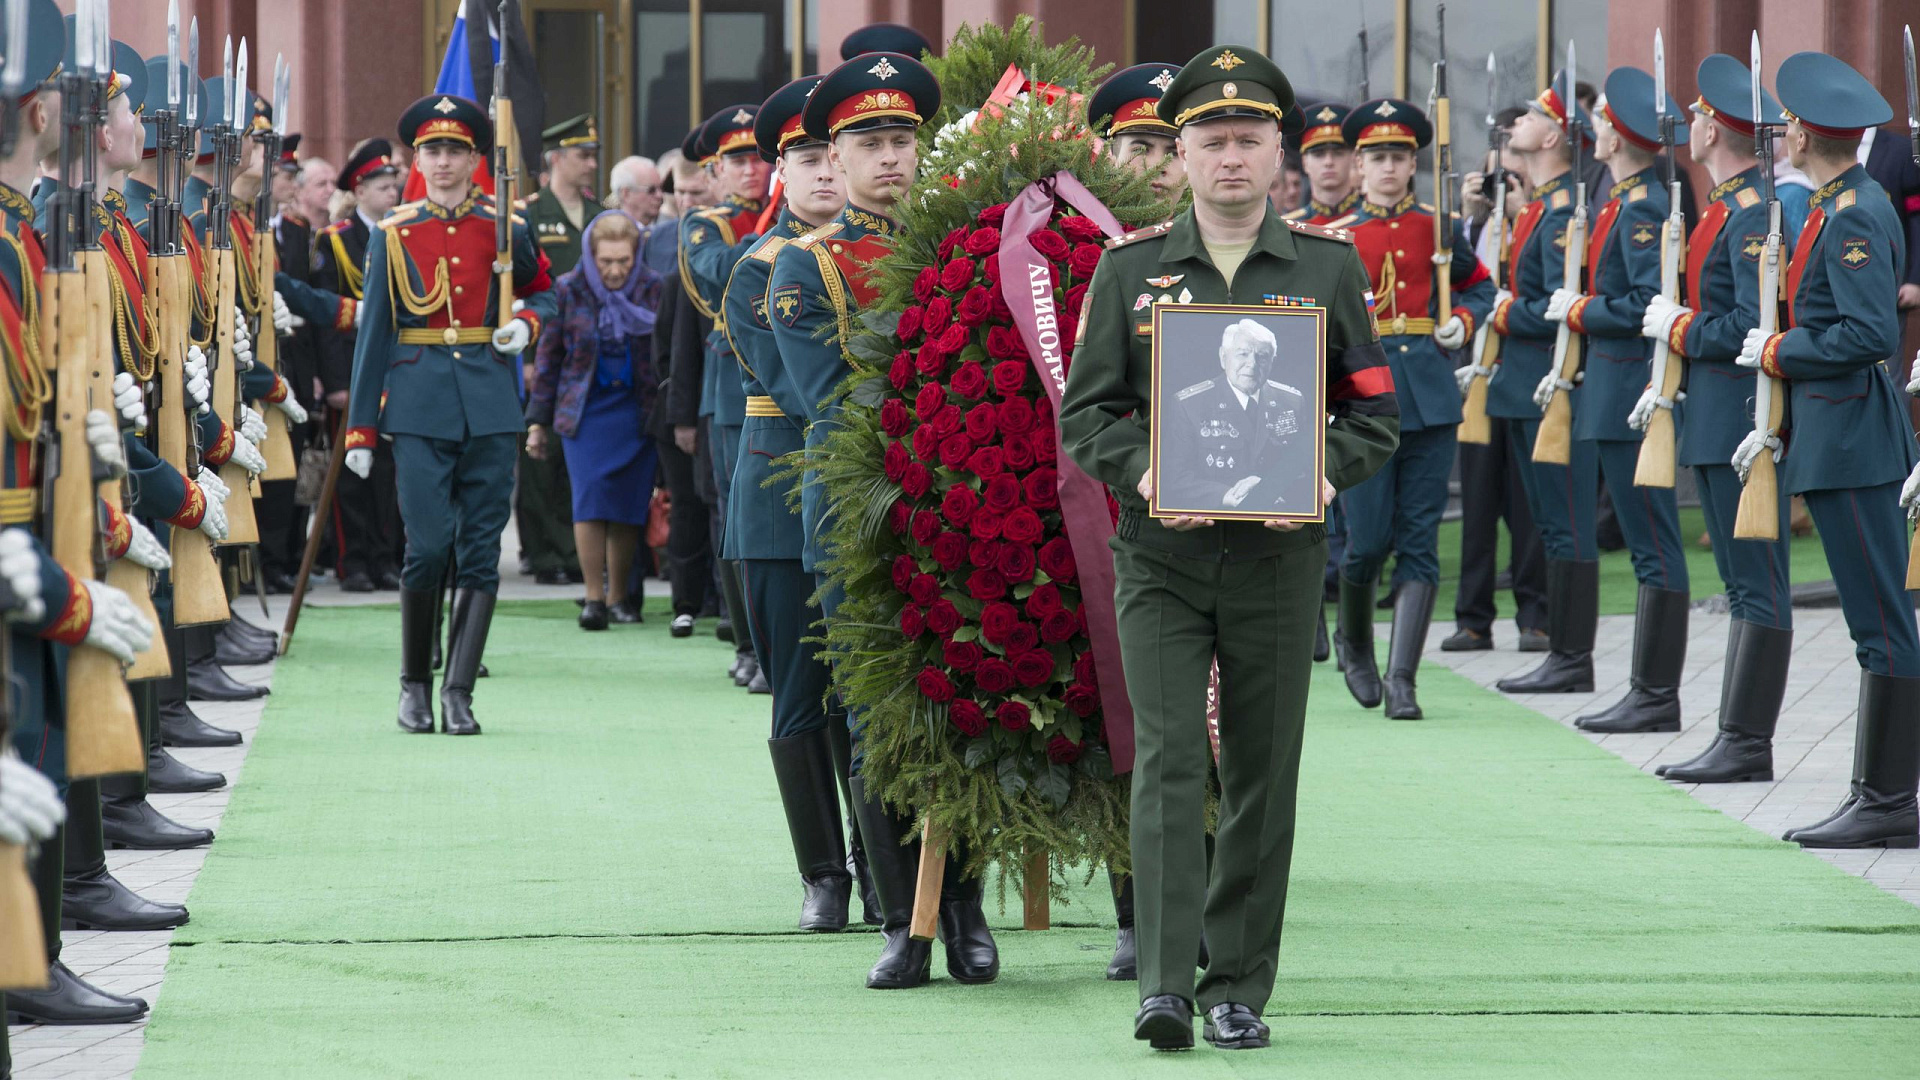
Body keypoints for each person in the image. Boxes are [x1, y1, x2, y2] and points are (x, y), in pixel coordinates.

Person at [1062, 44, 1399, 1052]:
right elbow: (1087, 415)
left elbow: (1375, 414)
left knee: (1261, 770)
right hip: (1162, 559)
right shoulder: (1130, 271)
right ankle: (1164, 984)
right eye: (1210, 140)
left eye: (1249, 138)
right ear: (1181, 154)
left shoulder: (1329, 269)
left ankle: (1237, 986)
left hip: (1278, 563)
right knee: (1169, 763)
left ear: (1278, 152)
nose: (1230, 157)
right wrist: (1146, 472)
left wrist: (1324, 473)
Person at [767, 47, 999, 990]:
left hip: (969, 509)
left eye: (904, 137)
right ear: (836, 155)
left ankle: (965, 909)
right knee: (878, 717)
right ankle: (904, 920)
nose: (891, 156)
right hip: (863, 519)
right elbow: (834, 402)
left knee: (969, 703)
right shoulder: (806, 266)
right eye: (870, 142)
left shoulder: (968, 248)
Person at [1744, 53, 1920, 848]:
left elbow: (1869, 333)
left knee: (1881, 620)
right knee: (1872, 619)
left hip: (1854, 435)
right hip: (1835, 430)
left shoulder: (1852, 211)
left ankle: (1887, 801)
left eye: (1786, 123)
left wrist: (1777, 350)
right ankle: (1877, 794)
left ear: (1802, 135)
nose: (1781, 132)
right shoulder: (1834, 203)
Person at [343, 93, 556, 737]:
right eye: (432, 150)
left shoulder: (504, 225)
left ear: (473, 160)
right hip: (418, 403)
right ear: (417, 159)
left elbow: (544, 291)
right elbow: (374, 335)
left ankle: (459, 691)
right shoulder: (395, 231)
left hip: (490, 402)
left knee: (481, 553)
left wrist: (526, 322)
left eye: (454, 151)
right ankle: (414, 683)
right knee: (429, 546)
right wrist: (361, 428)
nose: (442, 162)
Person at [716, 74, 875, 932]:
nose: (824, 174)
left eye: (832, 158)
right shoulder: (762, 268)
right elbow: (799, 386)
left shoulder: (882, 254)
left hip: (865, 493)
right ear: (782, 172)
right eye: (806, 160)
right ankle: (823, 873)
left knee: (869, 688)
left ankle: (881, 865)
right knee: (801, 693)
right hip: (783, 493)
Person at [1644, 55, 1797, 783]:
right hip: (1713, 415)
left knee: (1755, 581)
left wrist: (1678, 327)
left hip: (1738, 413)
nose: (1692, 123)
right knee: (1740, 584)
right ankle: (1736, 736)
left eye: (1700, 115)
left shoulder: (1746, 215)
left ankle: (1746, 741)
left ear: (1713, 130)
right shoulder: (1721, 207)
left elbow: (1746, 323)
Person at [1538, 67, 1694, 734]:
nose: (1593, 128)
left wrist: (1579, 309)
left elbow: (1640, 306)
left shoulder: (1643, 206)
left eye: (1601, 120)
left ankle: (1655, 695)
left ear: (1618, 135)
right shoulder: (1621, 199)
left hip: (1630, 386)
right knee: (1642, 545)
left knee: (1653, 544)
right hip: (1610, 386)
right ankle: (1646, 691)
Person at [1329, 96, 1494, 719]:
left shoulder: (1437, 227)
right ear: (1359, 165)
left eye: (1399, 157)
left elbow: (1481, 285)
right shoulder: (1336, 237)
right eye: (1377, 157)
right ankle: (1354, 642)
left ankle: (1404, 679)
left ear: (1412, 164)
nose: (1389, 168)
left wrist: (1463, 320)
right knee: (1368, 541)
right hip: (1363, 400)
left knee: (1420, 544)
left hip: (1429, 395)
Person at [1486, 72, 1601, 696]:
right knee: (1550, 524)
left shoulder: (1561, 213)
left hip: (1551, 385)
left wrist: (1505, 312)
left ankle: (1572, 656)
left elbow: (1562, 306)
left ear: (1554, 136)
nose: (1518, 123)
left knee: (1565, 524)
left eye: (1531, 116)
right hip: (1526, 386)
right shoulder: (1537, 205)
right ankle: (1564, 654)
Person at [528, 210, 662, 629]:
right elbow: (548, 359)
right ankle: (593, 599)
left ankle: (619, 597)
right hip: (585, 415)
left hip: (636, 413)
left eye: (623, 261)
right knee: (589, 502)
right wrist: (537, 422)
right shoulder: (568, 289)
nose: (615, 270)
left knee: (627, 506)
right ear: (590, 256)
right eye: (605, 261)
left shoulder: (654, 288)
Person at [1450, 109, 1550, 655]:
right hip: (1477, 372)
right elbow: (1456, 283)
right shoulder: (1473, 226)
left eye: (1512, 170)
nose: (1502, 183)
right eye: (1494, 173)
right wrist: (1470, 219)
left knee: (1527, 504)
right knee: (1478, 501)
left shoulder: (1543, 219)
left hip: (1526, 369)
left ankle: (1535, 616)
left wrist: (1521, 212)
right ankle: (1473, 618)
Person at [681, 105, 771, 692]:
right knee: (738, 516)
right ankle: (747, 642)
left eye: (759, 158)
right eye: (737, 160)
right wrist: (776, 236)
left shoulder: (794, 211)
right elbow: (716, 271)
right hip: (733, 384)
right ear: (715, 170)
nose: (751, 169)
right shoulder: (707, 223)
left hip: (790, 374)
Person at [316, 139, 407, 593]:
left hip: (397, 368)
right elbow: (328, 320)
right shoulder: (335, 240)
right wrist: (337, 381)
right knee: (351, 473)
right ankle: (352, 561)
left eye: (394, 185)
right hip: (353, 369)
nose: (392, 192)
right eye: (382, 186)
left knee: (388, 471)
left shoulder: (404, 233)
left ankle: (384, 557)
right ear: (359, 190)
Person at [517, 114, 599, 587]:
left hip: (588, 352)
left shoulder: (599, 212)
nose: (591, 164)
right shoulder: (529, 213)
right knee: (539, 453)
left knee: (576, 455)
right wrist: (527, 358)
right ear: (556, 159)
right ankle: (544, 552)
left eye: (592, 155)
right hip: (543, 347)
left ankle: (573, 550)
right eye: (582, 155)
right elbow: (522, 288)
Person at [657, 123, 718, 638]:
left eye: (699, 193)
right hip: (683, 392)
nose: (689, 203)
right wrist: (679, 413)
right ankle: (686, 599)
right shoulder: (666, 244)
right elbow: (675, 342)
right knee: (689, 505)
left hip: (718, 393)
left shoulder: (729, 236)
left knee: (719, 505)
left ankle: (722, 601)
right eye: (683, 193)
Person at [1283, 102, 1357, 224]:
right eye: (1319, 154)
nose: (1328, 162)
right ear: (1305, 162)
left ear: (1353, 158)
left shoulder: (1374, 221)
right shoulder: (1290, 226)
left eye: (1338, 153)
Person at [609, 154, 665, 224]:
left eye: (662, 188)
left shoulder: (668, 228)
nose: (660, 195)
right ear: (626, 194)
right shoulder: (607, 229)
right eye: (651, 190)